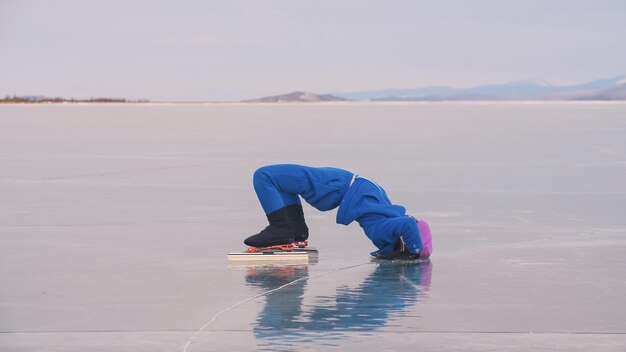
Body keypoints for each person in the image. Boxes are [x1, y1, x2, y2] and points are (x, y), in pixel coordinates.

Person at [244, 164, 432, 259]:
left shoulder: (383, 229)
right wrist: (411, 251)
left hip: (341, 186)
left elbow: (408, 223)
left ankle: (282, 228)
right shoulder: (386, 231)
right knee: (276, 180)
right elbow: (409, 224)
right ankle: (293, 231)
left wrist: (413, 252)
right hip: (345, 187)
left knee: (264, 176)